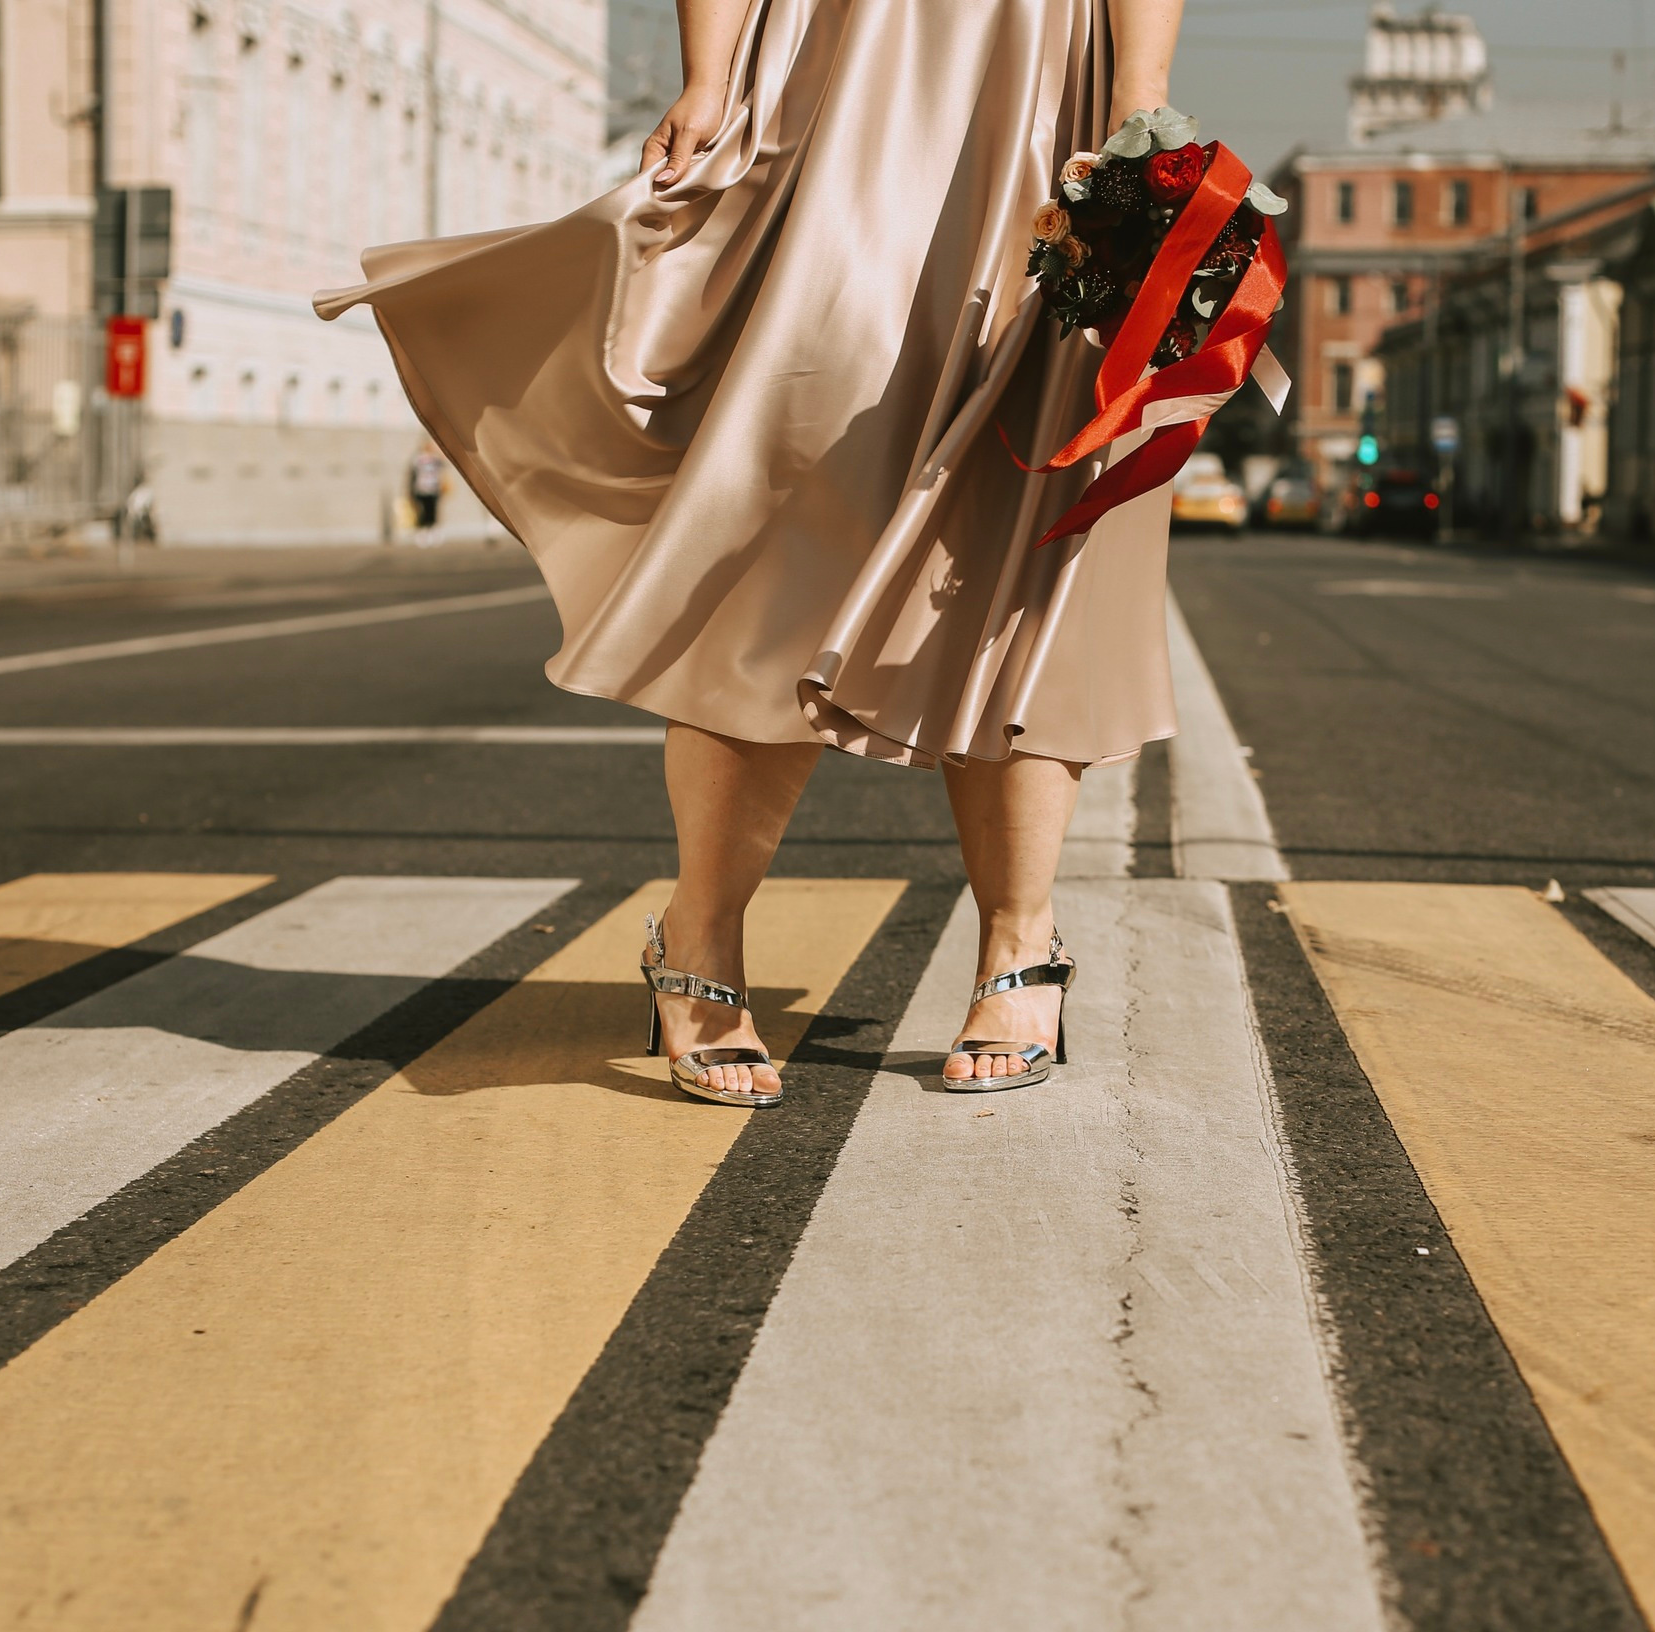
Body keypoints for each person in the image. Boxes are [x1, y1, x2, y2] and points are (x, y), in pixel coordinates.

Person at [316, 0, 1188, 1106]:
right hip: (841, 76)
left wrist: (1135, 99)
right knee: (780, 500)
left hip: (1049, 76)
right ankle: (702, 935)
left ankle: (1020, 943)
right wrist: (710, 73)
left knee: (1028, 507)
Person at [406, 443, 448, 545]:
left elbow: (444, 463)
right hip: (423, 488)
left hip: (433, 488)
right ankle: (423, 534)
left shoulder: (434, 458)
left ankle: (431, 533)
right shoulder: (420, 458)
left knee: (432, 511)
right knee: (424, 511)